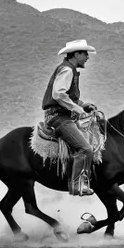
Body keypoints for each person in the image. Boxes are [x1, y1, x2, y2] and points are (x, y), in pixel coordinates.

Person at [42, 39, 97, 196]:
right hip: (58, 117)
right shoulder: (67, 70)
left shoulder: (69, 69)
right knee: (85, 148)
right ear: (77, 54)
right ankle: (76, 185)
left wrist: (83, 104)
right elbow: (58, 94)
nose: (87, 57)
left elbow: (68, 97)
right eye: (85, 54)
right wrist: (79, 109)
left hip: (62, 115)